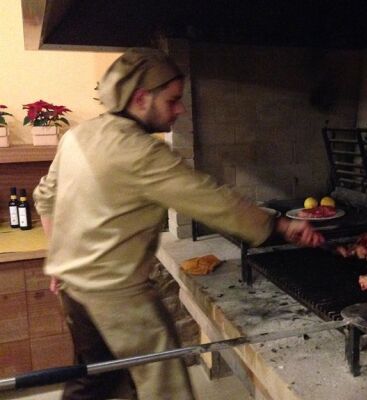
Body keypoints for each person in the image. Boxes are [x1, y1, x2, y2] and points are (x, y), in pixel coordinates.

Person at [33, 47, 324, 400]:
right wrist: (278, 227)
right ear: (141, 98)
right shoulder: (138, 151)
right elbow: (209, 198)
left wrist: (60, 259)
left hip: (73, 292)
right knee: (163, 387)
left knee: (97, 381)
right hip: (118, 298)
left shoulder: (78, 136)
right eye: (173, 100)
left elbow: (45, 196)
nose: (180, 109)